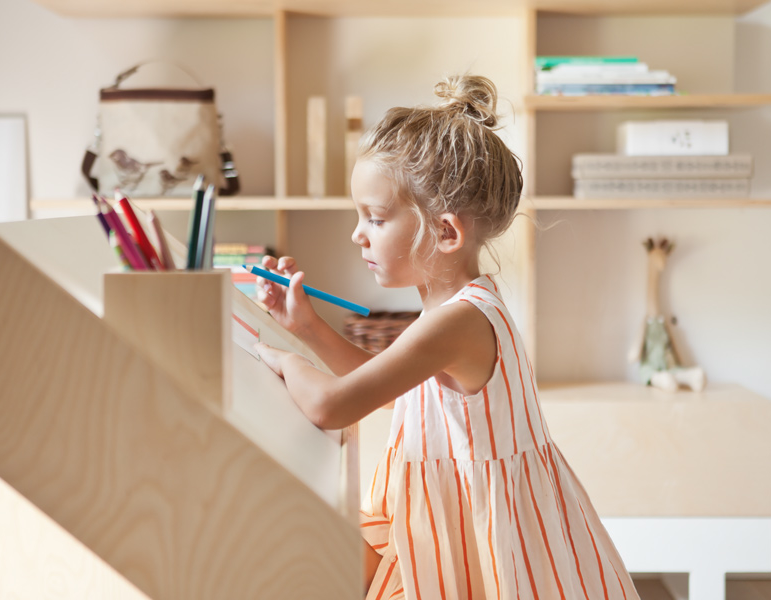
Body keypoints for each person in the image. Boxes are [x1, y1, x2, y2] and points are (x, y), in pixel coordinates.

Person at [254, 74, 639, 600]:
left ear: (446, 233)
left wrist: (274, 356)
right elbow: (382, 388)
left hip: (479, 535)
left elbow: (334, 405)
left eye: (376, 217)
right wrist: (305, 325)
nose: (357, 234)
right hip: (451, 521)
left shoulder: (457, 322)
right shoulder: (457, 311)